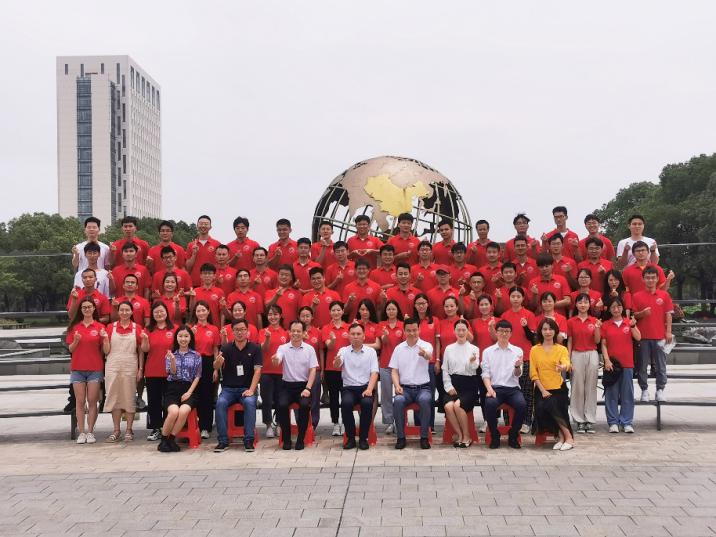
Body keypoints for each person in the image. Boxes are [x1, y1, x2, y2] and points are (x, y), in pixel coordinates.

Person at [213, 319, 262, 452]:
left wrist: (251, 390)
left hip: (247, 388)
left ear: (247, 331)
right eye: (237, 330)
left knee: (249, 403)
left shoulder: (255, 348)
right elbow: (216, 366)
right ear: (233, 332)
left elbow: (258, 371)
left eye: (242, 329)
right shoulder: (226, 348)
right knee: (220, 403)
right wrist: (217, 363)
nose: (240, 332)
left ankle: (248, 440)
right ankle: (223, 441)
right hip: (228, 389)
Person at [66, 297, 110, 444]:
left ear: (93, 309)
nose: (87, 309)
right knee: (80, 402)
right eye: (84, 307)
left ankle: (90, 431)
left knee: (92, 401)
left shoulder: (100, 327)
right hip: (77, 369)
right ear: (81, 310)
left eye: (89, 307)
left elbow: (106, 351)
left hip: (95, 369)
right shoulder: (74, 327)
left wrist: (105, 339)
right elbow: (70, 349)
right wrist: (76, 340)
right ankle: (81, 432)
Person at [272, 320, 319, 450]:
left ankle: (300, 438)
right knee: (281, 405)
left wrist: (308, 388)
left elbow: (313, 370)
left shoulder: (309, 349)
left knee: (304, 405)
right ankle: (286, 439)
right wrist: (275, 359)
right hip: (286, 386)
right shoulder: (283, 348)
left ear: (304, 333)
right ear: (289, 332)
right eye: (293, 331)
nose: (295, 333)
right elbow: (277, 360)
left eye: (298, 331)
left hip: (303, 386)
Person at [104, 300, 146, 443]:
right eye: (121, 310)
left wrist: (140, 369)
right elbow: (106, 351)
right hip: (113, 365)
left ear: (132, 312)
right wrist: (105, 340)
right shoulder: (110, 327)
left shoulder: (137, 328)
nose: (124, 312)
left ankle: (129, 429)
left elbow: (141, 351)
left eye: (127, 310)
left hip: (130, 364)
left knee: (129, 396)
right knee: (114, 397)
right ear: (118, 312)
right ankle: (116, 430)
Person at [481, 320, 527, 449]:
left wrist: (517, 367)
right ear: (496, 332)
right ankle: (495, 435)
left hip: (513, 389)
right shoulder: (488, 351)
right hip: (495, 388)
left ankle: (513, 434)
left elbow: (518, 374)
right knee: (489, 404)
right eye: (501, 331)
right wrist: (489, 389)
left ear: (511, 333)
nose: (504, 334)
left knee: (522, 405)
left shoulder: (517, 351)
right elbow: (485, 373)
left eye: (507, 331)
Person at [530, 318, 574, 451]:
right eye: (545, 329)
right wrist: (543, 390)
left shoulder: (561, 349)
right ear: (540, 331)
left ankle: (567, 438)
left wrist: (563, 367)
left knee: (553, 404)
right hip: (541, 389)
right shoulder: (534, 350)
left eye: (550, 329)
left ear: (555, 331)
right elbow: (533, 373)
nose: (548, 332)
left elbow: (567, 363)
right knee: (545, 406)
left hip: (558, 388)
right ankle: (562, 436)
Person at [390, 317, 434, 449]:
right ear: (404, 331)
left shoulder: (426, 345)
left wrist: (424, 354)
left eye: (414, 330)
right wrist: (397, 386)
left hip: (423, 388)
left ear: (419, 329)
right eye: (408, 330)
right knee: (397, 401)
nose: (412, 333)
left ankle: (424, 437)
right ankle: (401, 437)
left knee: (425, 400)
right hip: (405, 389)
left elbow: (429, 356)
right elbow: (394, 370)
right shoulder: (398, 348)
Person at [334, 323, 380, 450]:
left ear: (364, 336)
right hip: (348, 388)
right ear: (349, 336)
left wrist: (369, 389)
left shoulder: (371, 352)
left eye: (358, 334)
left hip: (366, 387)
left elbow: (374, 372)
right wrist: (337, 361)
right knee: (346, 403)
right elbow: (337, 364)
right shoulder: (343, 351)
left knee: (367, 404)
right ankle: (351, 438)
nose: (355, 336)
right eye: (353, 334)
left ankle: (363, 438)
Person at [157, 325, 202, 452]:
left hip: (189, 388)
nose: (183, 339)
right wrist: (172, 360)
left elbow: (197, 376)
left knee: (183, 411)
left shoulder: (196, 355)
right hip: (173, 388)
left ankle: (171, 439)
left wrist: (189, 392)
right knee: (173, 412)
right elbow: (172, 373)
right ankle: (163, 440)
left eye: (186, 336)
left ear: (190, 338)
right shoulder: (171, 354)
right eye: (180, 336)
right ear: (176, 338)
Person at [632, 267, 674, 402]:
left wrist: (668, 332)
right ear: (643, 279)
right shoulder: (636, 296)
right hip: (643, 337)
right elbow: (633, 315)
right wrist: (642, 314)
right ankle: (644, 390)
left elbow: (668, 314)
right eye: (648, 277)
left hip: (660, 336)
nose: (650, 280)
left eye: (653, 278)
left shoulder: (664, 295)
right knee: (642, 366)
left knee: (661, 365)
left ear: (657, 279)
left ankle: (660, 389)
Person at [499, 286, 536, 432]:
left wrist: (525, 327)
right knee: (507, 389)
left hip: (525, 357)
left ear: (523, 298)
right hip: (507, 358)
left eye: (518, 296)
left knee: (526, 391)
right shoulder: (505, 315)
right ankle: (509, 421)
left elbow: (533, 338)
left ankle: (526, 422)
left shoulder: (529, 314)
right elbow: (501, 336)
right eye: (513, 296)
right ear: (509, 298)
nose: (515, 299)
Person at [601, 298, 641, 433]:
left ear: (622, 308)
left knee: (627, 394)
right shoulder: (605, 325)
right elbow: (603, 344)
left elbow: (638, 337)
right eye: (613, 307)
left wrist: (633, 326)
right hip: (611, 365)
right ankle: (613, 422)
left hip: (627, 363)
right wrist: (606, 360)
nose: (616, 309)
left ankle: (626, 422)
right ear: (609, 309)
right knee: (611, 394)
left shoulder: (629, 322)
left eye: (618, 306)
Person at [442, 319, 480, 448]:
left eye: (464, 330)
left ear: (468, 331)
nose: (461, 332)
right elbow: (445, 369)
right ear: (454, 331)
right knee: (448, 406)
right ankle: (459, 435)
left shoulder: (474, 349)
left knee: (458, 406)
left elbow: (474, 368)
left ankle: (467, 435)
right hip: (453, 384)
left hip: (469, 385)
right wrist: (448, 386)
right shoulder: (449, 349)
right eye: (458, 330)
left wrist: (472, 361)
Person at [567, 293, 601, 434]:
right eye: (580, 302)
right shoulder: (571, 321)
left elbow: (597, 341)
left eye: (585, 302)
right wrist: (568, 359)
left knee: (591, 387)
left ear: (589, 304)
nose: (583, 305)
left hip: (592, 353)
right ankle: (579, 420)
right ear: (576, 304)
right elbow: (569, 341)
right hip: (576, 354)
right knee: (577, 387)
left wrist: (597, 328)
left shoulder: (594, 320)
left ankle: (590, 419)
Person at [144, 302, 175, 441]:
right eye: (156, 312)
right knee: (154, 401)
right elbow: (144, 349)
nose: (159, 314)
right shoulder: (148, 330)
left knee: (169, 401)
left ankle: (168, 428)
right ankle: (156, 428)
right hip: (152, 370)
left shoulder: (174, 329)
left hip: (170, 372)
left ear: (167, 312)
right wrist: (145, 340)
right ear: (152, 314)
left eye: (161, 311)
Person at [189, 301, 221, 438]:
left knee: (207, 395)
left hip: (208, 362)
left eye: (203, 310)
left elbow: (215, 349)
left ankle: (205, 427)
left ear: (208, 311)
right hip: (193, 362)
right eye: (198, 311)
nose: (201, 313)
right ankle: (193, 424)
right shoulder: (191, 328)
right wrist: (191, 336)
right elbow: (185, 347)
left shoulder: (213, 329)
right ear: (195, 313)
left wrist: (215, 369)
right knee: (194, 393)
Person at [259, 304, 288, 437]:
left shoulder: (286, 333)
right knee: (266, 400)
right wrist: (267, 338)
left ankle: (280, 424)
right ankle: (268, 425)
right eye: (270, 314)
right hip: (266, 372)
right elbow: (263, 349)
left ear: (280, 316)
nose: (273, 317)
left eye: (275, 314)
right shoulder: (263, 332)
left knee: (280, 400)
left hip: (282, 372)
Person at [322, 301, 351, 436]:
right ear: (329, 312)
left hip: (347, 368)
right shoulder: (326, 328)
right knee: (333, 397)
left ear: (343, 311)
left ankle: (345, 422)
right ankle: (335, 423)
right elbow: (329, 346)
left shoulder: (349, 327)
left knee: (346, 397)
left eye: (338, 310)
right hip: (331, 368)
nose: (336, 312)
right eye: (333, 310)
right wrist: (333, 340)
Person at [413, 294, 440, 429]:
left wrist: (438, 360)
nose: (421, 306)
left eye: (423, 303)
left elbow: (437, 341)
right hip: (415, 363)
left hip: (430, 362)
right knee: (416, 393)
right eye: (418, 303)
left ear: (428, 304)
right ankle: (418, 424)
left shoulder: (434, 320)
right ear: (415, 305)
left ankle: (430, 425)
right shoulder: (412, 321)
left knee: (429, 394)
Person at [378, 300, 405, 433]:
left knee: (401, 393)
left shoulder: (403, 325)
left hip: (401, 366)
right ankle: (389, 422)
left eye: (393, 309)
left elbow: (406, 343)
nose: (391, 311)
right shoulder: (381, 325)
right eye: (388, 309)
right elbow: (383, 343)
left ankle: (401, 420)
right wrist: (385, 336)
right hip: (385, 364)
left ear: (397, 310)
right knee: (386, 395)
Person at [299, 306, 324, 428]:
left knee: (314, 397)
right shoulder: (295, 331)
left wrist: (322, 369)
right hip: (298, 371)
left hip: (315, 369)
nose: (305, 318)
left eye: (307, 316)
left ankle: (314, 422)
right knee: (299, 396)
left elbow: (321, 351)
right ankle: (300, 421)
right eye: (303, 316)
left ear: (312, 317)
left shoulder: (317, 332)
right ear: (299, 317)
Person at [186, 215, 221, 287]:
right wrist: (194, 254)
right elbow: (188, 267)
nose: (203, 226)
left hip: (212, 283)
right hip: (195, 283)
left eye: (206, 224)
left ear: (210, 227)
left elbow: (221, 264)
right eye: (201, 223)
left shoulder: (217, 244)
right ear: (197, 226)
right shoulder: (191, 245)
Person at [188, 263, 225, 329]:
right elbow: (192, 309)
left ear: (214, 276)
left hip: (215, 326)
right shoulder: (195, 291)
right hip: (198, 327)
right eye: (205, 273)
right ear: (201, 276)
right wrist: (192, 298)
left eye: (210, 273)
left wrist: (222, 327)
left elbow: (222, 312)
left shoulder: (220, 292)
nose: (207, 276)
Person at [264, 265, 301, 329]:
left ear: (291, 278)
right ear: (277, 276)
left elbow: (300, 314)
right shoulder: (269, 292)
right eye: (281, 274)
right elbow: (267, 306)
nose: (284, 277)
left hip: (292, 330)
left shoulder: (297, 293)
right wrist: (276, 296)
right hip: (273, 330)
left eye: (287, 275)